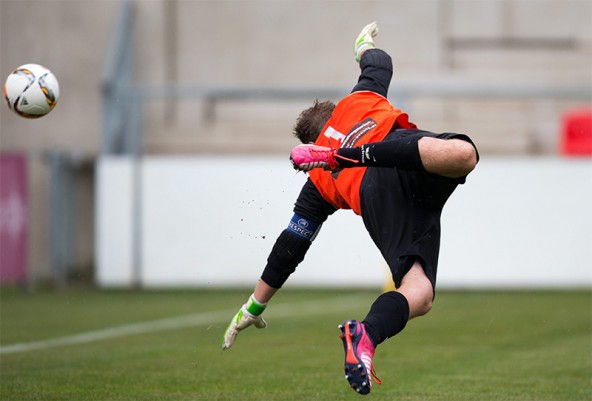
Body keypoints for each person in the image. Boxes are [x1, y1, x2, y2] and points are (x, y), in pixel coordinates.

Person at [221, 22, 479, 395]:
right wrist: (362, 44)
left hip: (379, 203)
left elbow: (291, 246)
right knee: (463, 154)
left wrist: (254, 306)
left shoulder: (317, 186)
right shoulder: (357, 99)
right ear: (332, 113)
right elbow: (380, 62)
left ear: (310, 142)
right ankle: (348, 156)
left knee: (418, 293)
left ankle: (366, 336)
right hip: (397, 157)